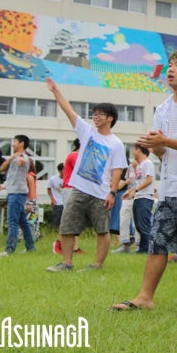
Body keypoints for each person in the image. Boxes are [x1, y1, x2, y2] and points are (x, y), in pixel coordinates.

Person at [111, 50, 177, 314]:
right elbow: (162, 153)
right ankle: (145, 297)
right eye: (170, 65)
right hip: (170, 187)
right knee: (157, 241)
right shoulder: (163, 108)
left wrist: (165, 142)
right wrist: (156, 145)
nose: (170, 69)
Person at [45, 78, 127, 272]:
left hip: (101, 193)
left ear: (110, 118)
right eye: (94, 114)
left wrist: (112, 193)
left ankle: (97, 265)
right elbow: (69, 110)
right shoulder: (87, 132)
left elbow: (117, 170)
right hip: (79, 189)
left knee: (102, 230)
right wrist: (55, 90)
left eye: (100, 114)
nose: (95, 117)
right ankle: (67, 263)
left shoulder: (116, 143)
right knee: (67, 226)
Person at [0, 135, 36, 256]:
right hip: (16, 192)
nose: (12, 144)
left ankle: (10, 249)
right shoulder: (14, 157)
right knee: (23, 222)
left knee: (12, 222)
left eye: (15, 141)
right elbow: (2, 169)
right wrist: (11, 158)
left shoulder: (23, 157)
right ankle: (30, 248)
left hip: (17, 193)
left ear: (21, 143)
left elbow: (22, 161)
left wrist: (19, 160)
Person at [54, 139, 83, 256]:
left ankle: (75, 247)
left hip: (76, 189)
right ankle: (59, 243)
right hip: (70, 189)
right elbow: (82, 170)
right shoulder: (74, 155)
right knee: (69, 218)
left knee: (75, 219)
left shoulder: (79, 156)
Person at [129, 144, 156, 255]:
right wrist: (130, 192)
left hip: (145, 197)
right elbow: (139, 181)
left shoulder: (147, 163)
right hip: (139, 197)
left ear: (139, 150)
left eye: (134, 150)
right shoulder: (140, 165)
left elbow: (149, 180)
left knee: (144, 225)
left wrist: (135, 190)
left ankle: (149, 249)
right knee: (139, 225)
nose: (133, 152)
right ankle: (143, 248)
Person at [47, 163, 65, 233]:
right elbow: (49, 189)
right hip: (57, 202)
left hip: (66, 202)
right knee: (56, 219)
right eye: (64, 170)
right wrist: (52, 199)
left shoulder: (68, 178)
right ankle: (55, 233)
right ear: (60, 171)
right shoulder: (53, 179)